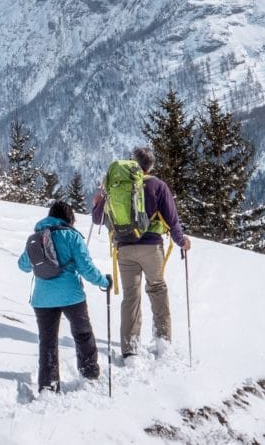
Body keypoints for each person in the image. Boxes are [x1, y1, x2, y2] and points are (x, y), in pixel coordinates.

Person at [92, 147, 191, 358]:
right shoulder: (158, 186)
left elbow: (97, 219)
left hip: (124, 249)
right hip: (151, 248)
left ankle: (130, 350)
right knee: (157, 290)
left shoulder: (117, 184)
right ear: (151, 166)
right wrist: (182, 242)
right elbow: (173, 222)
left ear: (132, 163)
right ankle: (162, 342)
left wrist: (97, 203)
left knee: (131, 298)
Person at [18, 200, 111, 393]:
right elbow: (86, 268)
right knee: (83, 333)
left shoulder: (36, 237)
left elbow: (23, 265)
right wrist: (104, 281)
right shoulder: (72, 237)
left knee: (48, 341)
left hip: (42, 299)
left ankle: (48, 386)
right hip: (72, 296)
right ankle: (89, 374)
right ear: (69, 218)